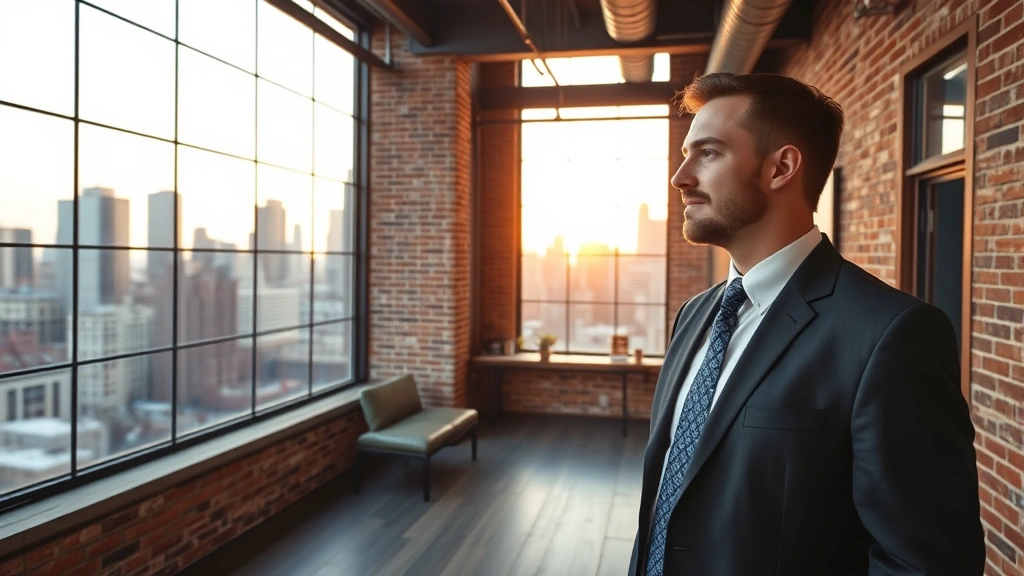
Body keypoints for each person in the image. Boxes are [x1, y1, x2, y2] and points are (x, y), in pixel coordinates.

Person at [629, 73, 984, 576]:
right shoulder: (694, 315)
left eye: (707, 153)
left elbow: (923, 563)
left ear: (782, 167)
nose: (680, 176)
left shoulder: (891, 335)